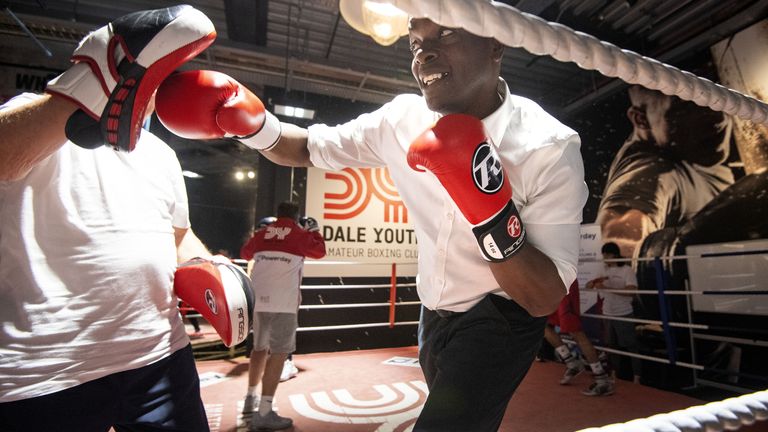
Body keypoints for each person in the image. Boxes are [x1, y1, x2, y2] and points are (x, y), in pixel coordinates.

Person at [156, 15, 588, 431]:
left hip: (501, 315)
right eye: (416, 43)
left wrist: (489, 210)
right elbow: (308, 148)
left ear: (496, 43)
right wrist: (249, 123)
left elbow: (542, 295)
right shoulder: (401, 119)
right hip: (433, 310)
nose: (425, 54)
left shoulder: (548, 147)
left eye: (446, 35)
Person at [0, 6, 228, 431]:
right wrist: (77, 98)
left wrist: (211, 270)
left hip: (159, 354)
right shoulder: (37, 114)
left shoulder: (162, 154)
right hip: (45, 369)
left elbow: (179, 236)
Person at [597, 85, 734, 261]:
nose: (717, 117)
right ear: (641, 119)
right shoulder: (653, 172)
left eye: (717, 98)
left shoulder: (690, 150)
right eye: (686, 107)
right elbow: (615, 244)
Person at [240, 202, 326, 431]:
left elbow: (245, 252)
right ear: (297, 216)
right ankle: (265, 411)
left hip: (259, 300)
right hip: (284, 304)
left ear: (277, 214)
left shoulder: (262, 234)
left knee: (258, 349)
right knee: (278, 354)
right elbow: (320, 252)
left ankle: (250, 398)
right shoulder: (299, 234)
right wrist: (314, 231)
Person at [241, 215, 298, 381]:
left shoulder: (286, 248)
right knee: (263, 336)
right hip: (265, 298)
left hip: (282, 297)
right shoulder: (258, 250)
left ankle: (286, 362)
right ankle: (275, 362)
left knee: (282, 332)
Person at [544, 280, 614, 396]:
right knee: (543, 325)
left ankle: (602, 380)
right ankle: (571, 362)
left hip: (564, 283)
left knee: (576, 332)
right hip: (549, 285)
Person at [586, 242, 642, 384]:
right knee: (611, 345)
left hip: (624, 313)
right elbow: (587, 286)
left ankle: (637, 377)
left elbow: (632, 291)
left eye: (607, 255)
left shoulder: (627, 270)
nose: (605, 258)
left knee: (630, 346)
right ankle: (614, 374)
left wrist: (607, 288)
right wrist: (594, 282)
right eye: (604, 255)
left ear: (614, 255)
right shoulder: (603, 270)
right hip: (608, 313)